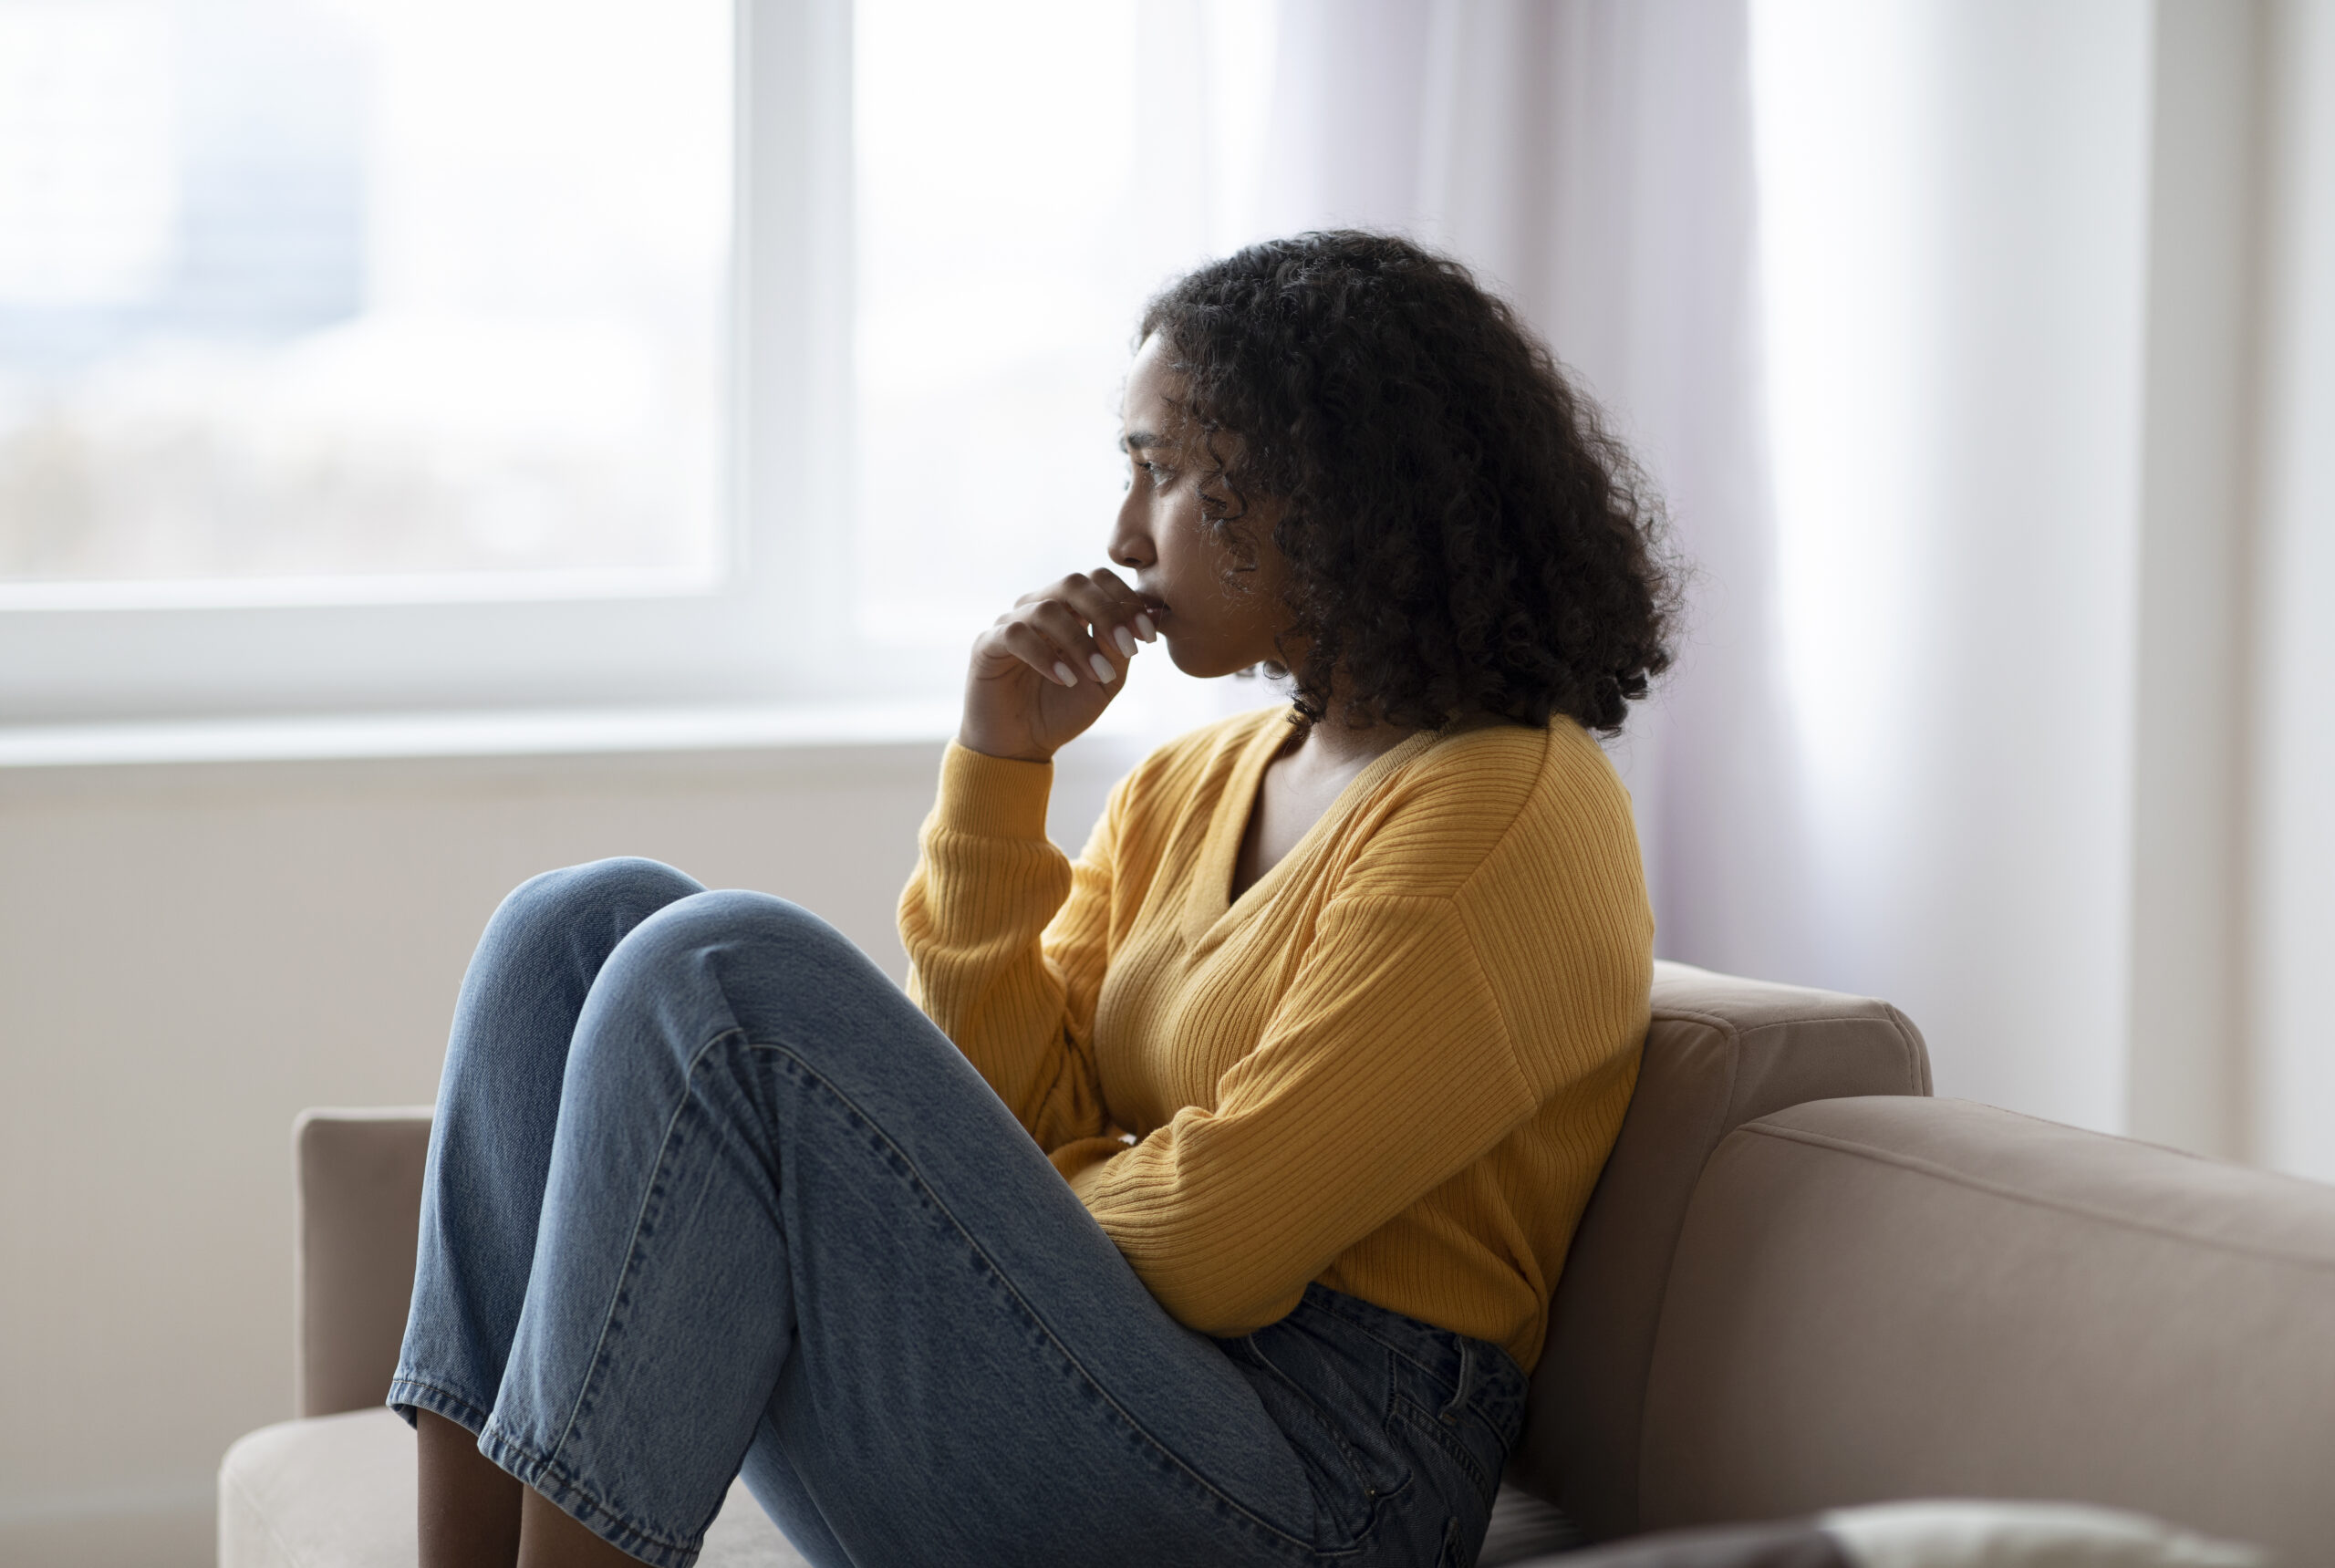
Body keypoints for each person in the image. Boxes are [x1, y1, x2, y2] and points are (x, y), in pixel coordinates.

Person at [392, 231, 1676, 1568]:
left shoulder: (1509, 814)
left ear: (1327, 489)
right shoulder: (1195, 780)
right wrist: (1003, 773)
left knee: (723, 974)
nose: (1124, 533)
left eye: (1163, 473)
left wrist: (985, 1201)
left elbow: (1221, 1251)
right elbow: (1020, 1107)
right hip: (1120, 1380)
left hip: (1321, 1481)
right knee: (574, 928)